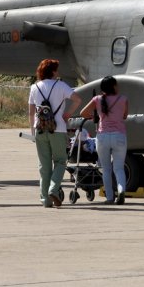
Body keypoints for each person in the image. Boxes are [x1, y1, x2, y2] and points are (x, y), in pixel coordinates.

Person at [30, 59, 81, 208]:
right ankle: (53, 189)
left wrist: (33, 132)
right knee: (60, 161)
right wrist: (67, 114)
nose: (58, 72)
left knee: (44, 166)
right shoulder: (61, 85)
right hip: (57, 129)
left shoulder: (34, 87)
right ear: (53, 71)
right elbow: (77, 100)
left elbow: (31, 112)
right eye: (56, 69)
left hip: (40, 129)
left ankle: (45, 199)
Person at [80, 76, 128, 204]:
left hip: (102, 136)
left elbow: (83, 113)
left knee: (106, 169)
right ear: (113, 86)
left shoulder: (97, 99)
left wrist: (94, 117)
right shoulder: (123, 99)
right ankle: (121, 190)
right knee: (119, 168)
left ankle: (110, 198)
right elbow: (124, 116)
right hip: (119, 136)